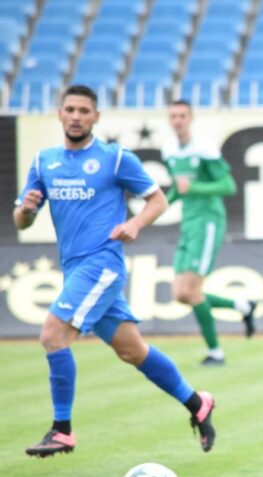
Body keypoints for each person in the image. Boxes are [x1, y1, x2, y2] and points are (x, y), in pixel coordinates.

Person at [13, 85, 216, 457]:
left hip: (102, 265)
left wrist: (135, 224)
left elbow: (158, 199)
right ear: (59, 114)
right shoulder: (44, 162)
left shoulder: (115, 158)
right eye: (70, 110)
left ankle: (62, 430)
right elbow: (21, 221)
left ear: (96, 117)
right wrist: (25, 210)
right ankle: (197, 403)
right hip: (75, 269)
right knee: (132, 351)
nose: (76, 117)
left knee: (53, 334)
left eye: (84, 111)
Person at [162, 100, 256, 366]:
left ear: (191, 118)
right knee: (180, 293)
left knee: (191, 290)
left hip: (208, 223)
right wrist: (155, 210)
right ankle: (242, 306)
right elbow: (178, 188)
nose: (178, 120)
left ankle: (216, 352)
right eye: (173, 116)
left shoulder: (204, 148)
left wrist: (193, 188)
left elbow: (228, 186)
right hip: (188, 223)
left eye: (182, 115)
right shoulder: (169, 150)